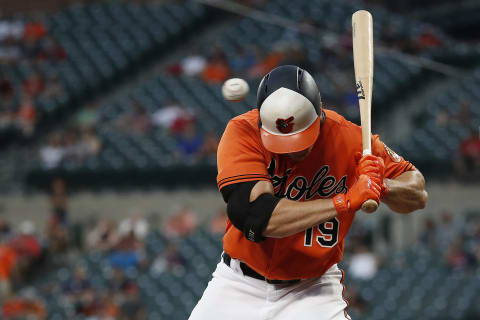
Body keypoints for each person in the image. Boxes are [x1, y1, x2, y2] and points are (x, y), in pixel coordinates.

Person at [189, 65, 428, 319]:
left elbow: (418, 192)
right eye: (284, 141)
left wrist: (380, 185)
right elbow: (254, 215)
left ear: (319, 116)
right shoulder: (243, 131)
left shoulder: (351, 139)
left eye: (303, 137)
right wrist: (345, 200)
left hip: (312, 290)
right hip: (238, 285)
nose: (294, 150)